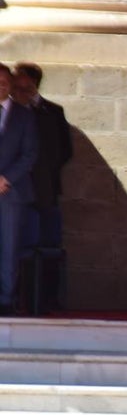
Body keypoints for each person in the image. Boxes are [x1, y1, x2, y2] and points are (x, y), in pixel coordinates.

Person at [12, 62, 72, 251]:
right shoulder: (7, 111)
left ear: (35, 85)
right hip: (14, 189)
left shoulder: (53, 112)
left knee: (47, 243)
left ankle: (45, 279)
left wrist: (46, 172)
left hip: (44, 189)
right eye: (17, 87)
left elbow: (65, 150)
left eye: (26, 87)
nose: (20, 91)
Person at [0, 64, 39, 315]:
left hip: (11, 193)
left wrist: (6, 178)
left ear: (11, 84)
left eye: (4, 81)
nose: (1, 85)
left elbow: (30, 154)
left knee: (9, 248)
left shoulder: (24, 116)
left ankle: (5, 299)